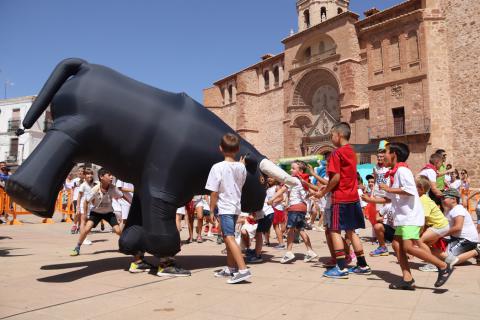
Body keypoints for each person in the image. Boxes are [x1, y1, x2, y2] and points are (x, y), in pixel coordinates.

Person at [362, 142, 454, 290]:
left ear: (394, 154)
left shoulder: (403, 171)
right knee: (396, 245)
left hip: (410, 217)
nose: (383, 156)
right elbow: (389, 198)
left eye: (385, 152)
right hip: (403, 218)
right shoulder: (394, 173)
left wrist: (389, 188)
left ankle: (443, 266)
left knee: (409, 247)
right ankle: (407, 278)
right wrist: (370, 200)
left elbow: (410, 190)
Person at [315, 122, 370, 279]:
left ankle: (340, 267)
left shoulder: (336, 154)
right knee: (351, 231)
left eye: (332, 135)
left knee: (334, 230)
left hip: (340, 197)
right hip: (353, 197)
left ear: (338, 135)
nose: (331, 138)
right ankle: (362, 264)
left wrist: (323, 192)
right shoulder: (351, 152)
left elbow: (335, 178)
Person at [205, 133, 251, 284]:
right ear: (237, 149)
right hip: (236, 206)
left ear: (220, 148)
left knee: (229, 237)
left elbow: (213, 192)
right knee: (228, 237)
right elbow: (241, 182)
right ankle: (231, 268)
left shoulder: (217, 167)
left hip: (225, 207)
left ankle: (243, 270)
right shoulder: (241, 168)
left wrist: (212, 210)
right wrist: (241, 165)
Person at [268, 161, 318, 264]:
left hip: (295, 208)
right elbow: (307, 194)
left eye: (293, 168)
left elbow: (282, 190)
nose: (291, 170)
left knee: (290, 229)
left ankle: (289, 253)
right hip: (302, 208)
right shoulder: (302, 180)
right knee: (301, 229)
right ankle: (310, 251)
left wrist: (272, 199)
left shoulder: (293, 180)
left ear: (300, 171)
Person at [70, 168, 128, 256]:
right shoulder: (94, 189)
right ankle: (77, 247)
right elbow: (86, 201)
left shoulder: (113, 188)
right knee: (86, 229)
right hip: (96, 213)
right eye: (109, 175)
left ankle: (126, 245)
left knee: (118, 231)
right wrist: (85, 214)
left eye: (112, 175)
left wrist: (131, 203)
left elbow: (122, 196)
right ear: (101, 177)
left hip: (108, 213)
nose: (112, 177)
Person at [415, 176, 451, 272]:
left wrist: (419, 232)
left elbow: (423, 218)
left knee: (420, 241)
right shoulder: (422, 198)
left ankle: (433, 264)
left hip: (439, 225)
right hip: (442, 225)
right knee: (426, 244)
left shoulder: (423, 200)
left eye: (414, 186)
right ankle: (449, 258)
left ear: (421, 189)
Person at [440, 188, 479, 266]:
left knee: (449, 260)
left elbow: (458, 227)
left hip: (467, 239)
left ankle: (477, 251)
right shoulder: (448, 210)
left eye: (444, 198)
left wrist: (440, 234)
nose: (442, 200)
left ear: (453, 199)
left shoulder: (458, 209)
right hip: (456, 238)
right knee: (441, 255)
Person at [76, 168, 96, 245]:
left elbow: (93, 196)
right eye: (87, 174)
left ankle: (84, 237)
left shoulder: (93, 184)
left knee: (88, 222)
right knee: (83, 222)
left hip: (90, 206)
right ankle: (84, 238)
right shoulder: (83, 185)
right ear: (84, 175)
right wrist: (77, 207)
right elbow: (79, 197)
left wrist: (95, 204)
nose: (89, 175)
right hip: (83, 205)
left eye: (91, 174)